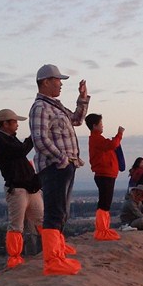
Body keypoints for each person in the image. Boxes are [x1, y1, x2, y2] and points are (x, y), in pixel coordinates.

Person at [29, 64, 90, 275]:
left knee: (62, 211)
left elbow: (77, 120)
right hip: (55, 166)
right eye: (57, 80)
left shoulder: (55, 106)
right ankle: (52, 261)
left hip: (66, 165)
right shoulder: (40, 108)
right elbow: (40, 140)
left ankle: (58, 252)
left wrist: (82, 98)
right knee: (54, 212)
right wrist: (62, 158)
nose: (61, 84)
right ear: (45, 82)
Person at [0, 108, 43, 268]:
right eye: (14, 122)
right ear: (5, 123)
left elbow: (20, 153)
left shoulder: (10, 139)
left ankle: (53, 248)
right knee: (16, 225)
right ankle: (14, 258)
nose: (17, 125)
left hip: (29, 187)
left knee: (41, 220)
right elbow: (20, 151)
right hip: (17, 189)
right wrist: (34, 137)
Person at [85, 113, 124, 241]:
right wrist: (119, 135)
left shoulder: (98, 138)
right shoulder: (96, 139)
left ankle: (104, 229)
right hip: (104, 174)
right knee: (104, 203)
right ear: (94, 126)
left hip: (107, 174)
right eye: (101, 124)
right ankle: (101, 231)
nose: (103, 126)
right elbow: (112, 145)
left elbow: (111, 145)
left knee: (105, 202)